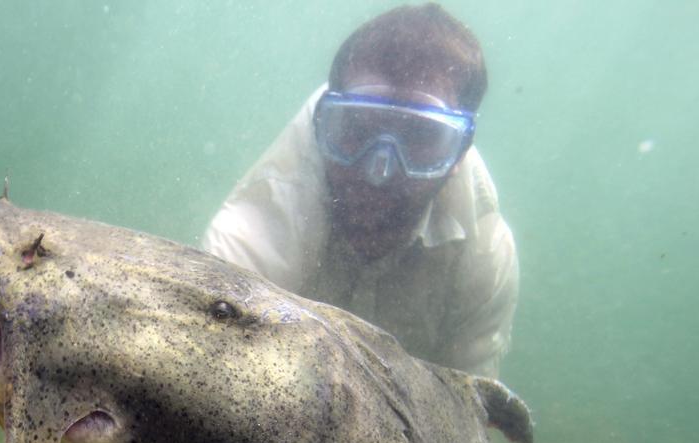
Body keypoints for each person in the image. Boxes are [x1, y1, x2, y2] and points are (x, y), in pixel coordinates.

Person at [202, 3, 519, 378]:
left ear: (458, 153)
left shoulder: (483, 252)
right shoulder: (258, 222)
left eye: (418, 137)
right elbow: (212, 374)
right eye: (356, 128)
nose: (379, 171)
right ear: (323, 126)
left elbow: (471, 409)